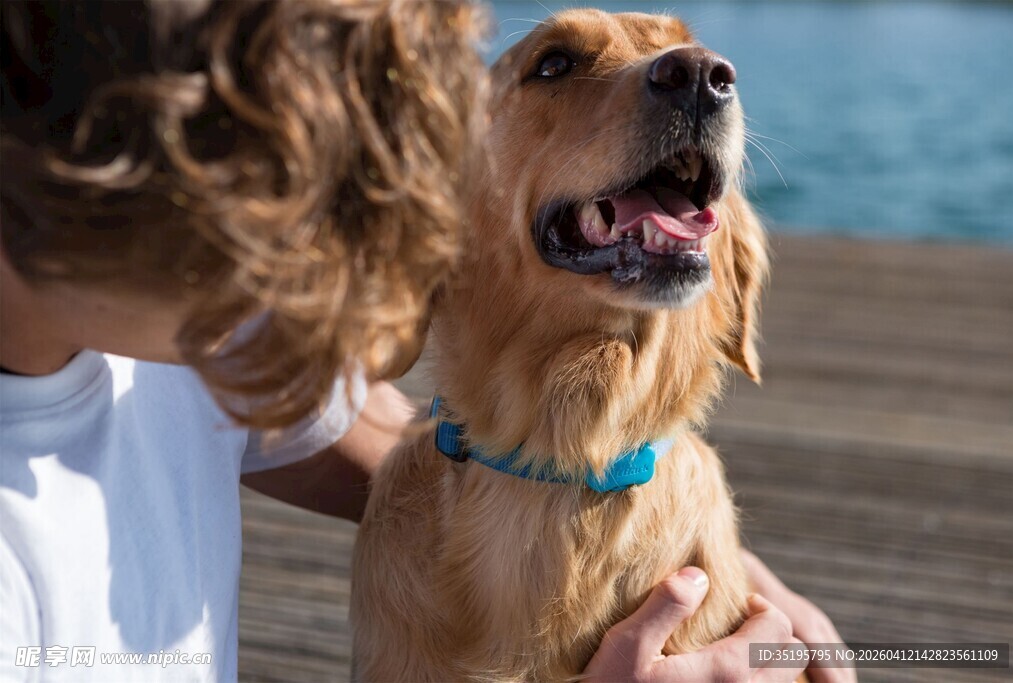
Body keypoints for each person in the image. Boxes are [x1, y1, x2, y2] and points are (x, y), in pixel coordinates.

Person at [0, 1, 852, 681]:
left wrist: (716, 574)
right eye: (288, 169)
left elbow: (331, 424)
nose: (354, 228)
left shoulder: (186, 344)